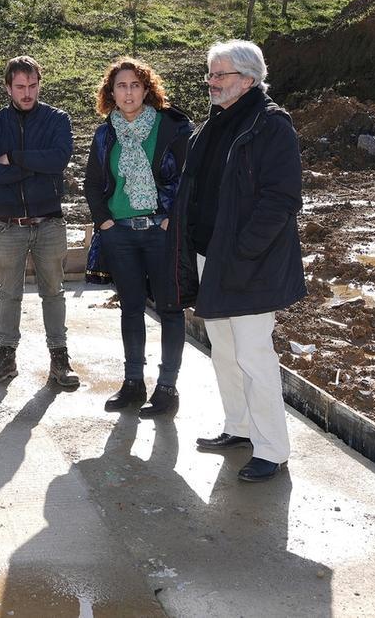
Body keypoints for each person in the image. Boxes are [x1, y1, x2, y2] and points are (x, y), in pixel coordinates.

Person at [167, 39, 307, 482]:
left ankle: (272, 449)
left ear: (248, 79)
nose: (211, 82)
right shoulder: (215, 125)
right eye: (210, 74)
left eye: (219, 74)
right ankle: (240, 427)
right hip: (212, 257)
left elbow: (281, 199)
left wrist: (246, 250)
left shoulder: (271, 126)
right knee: (224, 350)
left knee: (253, 354)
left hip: (250, 263)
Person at [84, 58, 192, 418]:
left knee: (170, 309)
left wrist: (169, 221)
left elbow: (187, 180)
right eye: (120, 86)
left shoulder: (171, 127)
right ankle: (133, 384)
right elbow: (92, 185)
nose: (128, 92)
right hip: (121, 236)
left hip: (161, 235)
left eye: (134, 85)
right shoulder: (106, 133)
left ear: (147, 89)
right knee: (130, 309)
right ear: (110, 93)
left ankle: (167, 388)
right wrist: (105, 224)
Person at [0, 56, 78, 389]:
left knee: (54, 292)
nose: (27, 93)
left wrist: (15, 158)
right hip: (8, 225)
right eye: (20, 87)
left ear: (39, 84)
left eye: (33, 86)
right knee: (8, 294)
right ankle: (6, 356)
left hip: (49, 223)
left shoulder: (57, 120)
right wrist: (37, 164)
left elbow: (59, 159)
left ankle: (60, 359)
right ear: (8, 87)